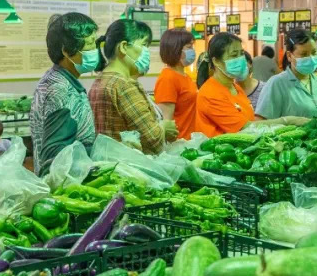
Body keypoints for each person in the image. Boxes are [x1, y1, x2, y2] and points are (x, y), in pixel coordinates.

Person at [196, 32, 308, 136]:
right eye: (234, 55)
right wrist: (288, 121)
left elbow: (250, 122)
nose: (240, 59)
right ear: (216, 61)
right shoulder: (210, 94)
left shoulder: (236, 88)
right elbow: (245, 128)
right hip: (217, 154)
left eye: (241, 54)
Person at [89, 19, 173, 154]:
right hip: (132, 166)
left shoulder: (100, 80)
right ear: (123, 47)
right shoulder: (124, 86)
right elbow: (153, 141)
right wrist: (164, 127)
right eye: (144, 45)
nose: (147, 52)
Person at [31, 13, 99, 176]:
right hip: (66, 188)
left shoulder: (64, 81)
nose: (95, 50)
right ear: (66, 51)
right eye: (90, 44)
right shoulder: (59, 89)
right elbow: (55, 157)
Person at [256, 29, 317, 125]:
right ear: (289, 56)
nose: (311, 58)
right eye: (304, 54)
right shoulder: (277, 84)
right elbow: (259, 122)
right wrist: (288, 122)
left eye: (314, 52)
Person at [154, 28, 207, 140]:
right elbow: (166, 122)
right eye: (189, 47)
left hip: (190, 140)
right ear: (175, 49)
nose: (192, 51)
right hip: (178, 144)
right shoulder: (167, 78)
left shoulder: (185, 76)